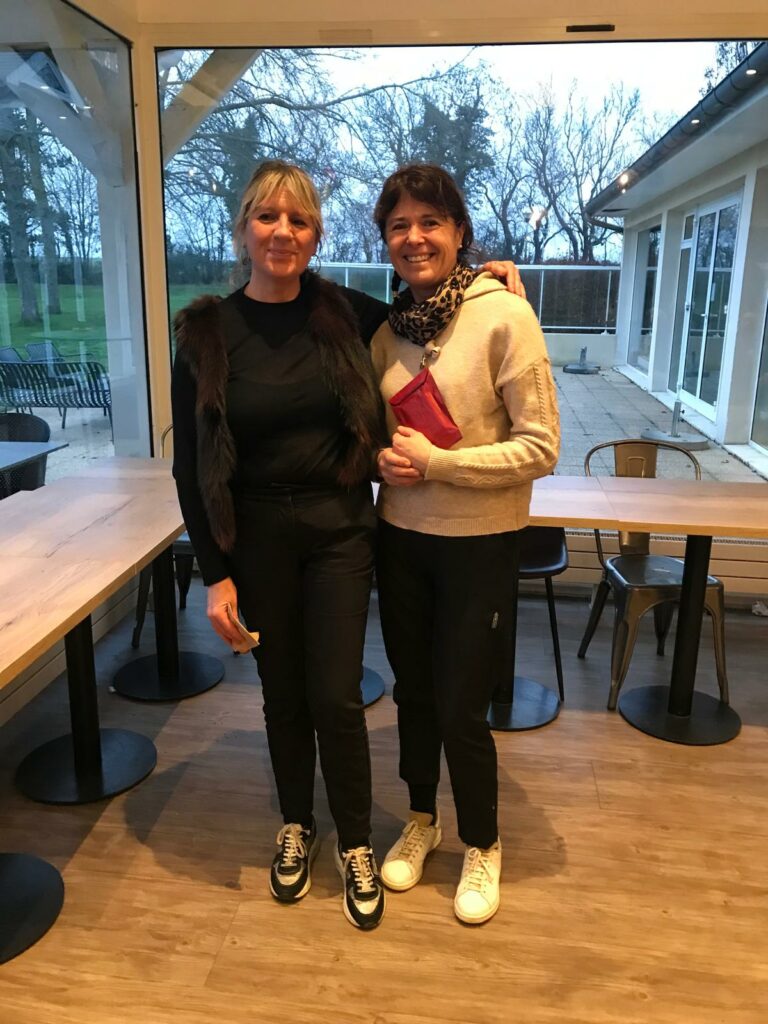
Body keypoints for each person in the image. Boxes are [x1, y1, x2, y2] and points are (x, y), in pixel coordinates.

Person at [171, 159, 524, 932]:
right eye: (268, 217)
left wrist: (487, 275)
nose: (283, 232)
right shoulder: (205, 333)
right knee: (282, 695)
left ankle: (356, 840)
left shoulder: (346, 312)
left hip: (338, 532)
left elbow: (432, 308)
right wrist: (215, 575)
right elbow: (189, 469)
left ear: (316, 235)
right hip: (256, 540)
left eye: (299, 219)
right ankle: (296, 824)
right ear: (243, 229)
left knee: (335, 695)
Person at [370, 164, 560, 925]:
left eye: (430, 222)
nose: (415, 238)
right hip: (400, 539)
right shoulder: (385, 332)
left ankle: (483, 840)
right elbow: (382, 437)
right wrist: (383, 461)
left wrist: (440, 465)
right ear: (385, 241)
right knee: (413, 694)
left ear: (459, 232)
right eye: (399, 226)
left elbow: (541, 447)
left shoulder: (506, 317)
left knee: (459, 706)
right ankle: (423, 817)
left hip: (479, 545)